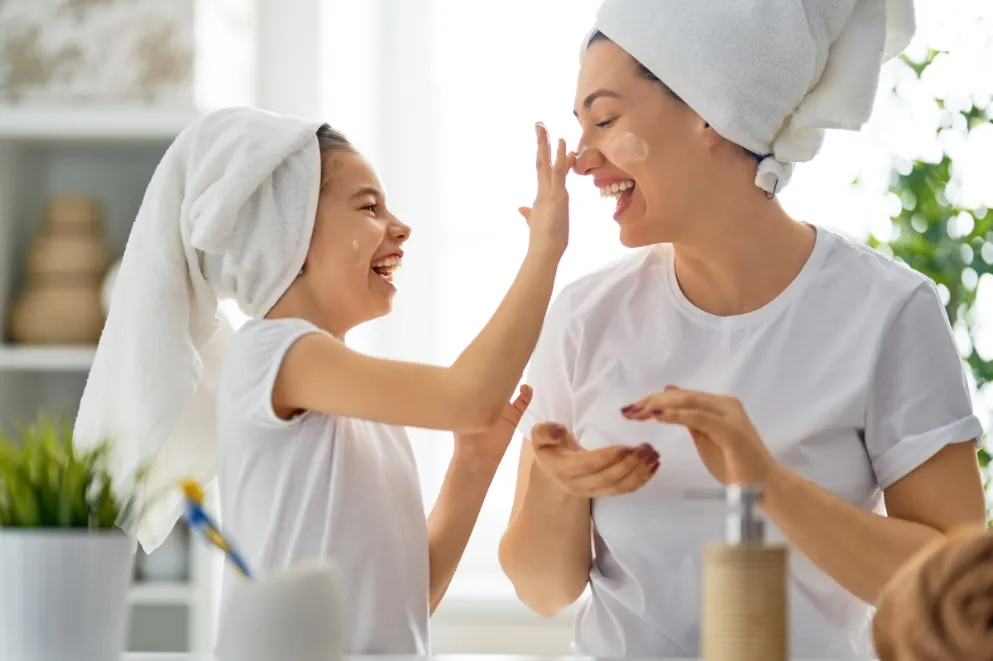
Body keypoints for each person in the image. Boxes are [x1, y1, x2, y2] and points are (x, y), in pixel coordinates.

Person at [498, 1, 989, 658]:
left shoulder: (886, 311)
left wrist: (768, 483)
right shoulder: (585, 316)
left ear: (710, 109)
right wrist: (559, 485)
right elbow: (542, 590)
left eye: (606, 120)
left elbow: (961, 591)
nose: (581, 160)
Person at [71, 107, 640, 654]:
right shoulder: (272, 354)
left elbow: (407, 603)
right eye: (369, 207)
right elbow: (468, 395)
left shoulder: (348, 398)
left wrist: (472, 462)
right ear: (287, 232)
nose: (401, 227)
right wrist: (544, 250)